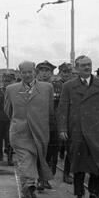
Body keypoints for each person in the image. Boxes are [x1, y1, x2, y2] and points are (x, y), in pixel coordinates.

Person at [58, 56, 99, 198]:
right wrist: (62, 128)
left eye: (89, 65)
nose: (87, 68)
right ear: (77, 68)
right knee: (78, 163)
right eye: (83, 65)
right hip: (77, 130)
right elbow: (63, 109)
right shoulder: (68, 86)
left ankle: (95, 193)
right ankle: (79, 193)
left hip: (98, 130)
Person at [4, 61, 54, 198]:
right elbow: (8, 110)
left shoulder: (47, 88)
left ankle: (31, 185)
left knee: (37, 159)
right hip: (20, 132)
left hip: (40, 132)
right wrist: (19, 121)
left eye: (30, 72)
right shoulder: (11, 89)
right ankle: (27, 187)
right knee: (25, 159)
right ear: (20, 73)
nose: (27, 75)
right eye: (23, 72)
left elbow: (49, 110)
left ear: (35, 72)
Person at [36, 60, 58, 189]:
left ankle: (46, 178)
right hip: (38, 124)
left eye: (47, 71)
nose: (44, 74)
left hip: (53, 125)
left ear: (52, 73)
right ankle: (39, 178)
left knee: (51, 153)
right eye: (42, 71)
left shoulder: (58, 87)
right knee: (39, 153)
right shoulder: (33, 87)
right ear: (37, 73)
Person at [56, 63, 74, 184]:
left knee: (71, 150)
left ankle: (67, 173)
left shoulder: (74, 85)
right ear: (60, 73)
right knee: (54, 149)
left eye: (68, 72)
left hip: (71, 121)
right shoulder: (54, 86)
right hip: (57, 121)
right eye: (64, 72)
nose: (66, 74)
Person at [0, 73, 15, 165]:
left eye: (9, 81)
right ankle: (0, 152)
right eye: (5, 81)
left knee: (9, 138)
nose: (7, 83)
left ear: (13, 81)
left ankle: (9, 158)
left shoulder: (15, 91)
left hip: (11, 118)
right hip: (0, 118)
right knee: (0, 137)